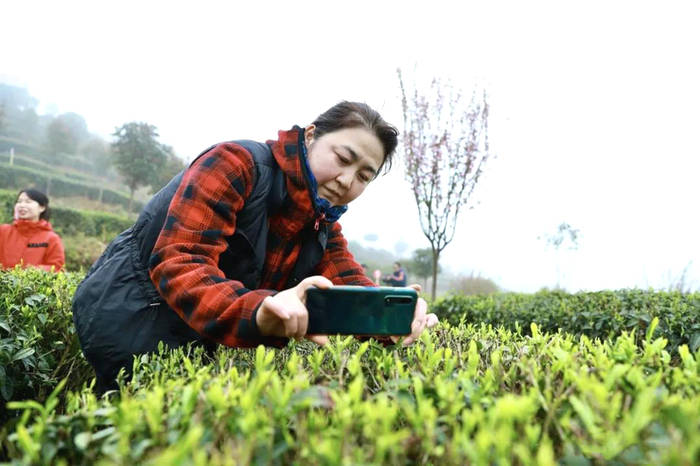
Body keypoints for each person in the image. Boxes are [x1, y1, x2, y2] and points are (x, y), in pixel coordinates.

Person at [72, 101, 439, 392]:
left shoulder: (320, 221)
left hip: (197, 335)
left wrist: (391, 318)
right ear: (311, 136)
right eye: (343, 159)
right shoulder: (235, 164)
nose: (346, 181)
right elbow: (180, 261)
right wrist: (259, 311)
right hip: (132, 316)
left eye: (364, 176)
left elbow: (350, 281)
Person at [0, 189, 65, 271]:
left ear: (42, 207)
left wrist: (30, 272)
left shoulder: (51, 239)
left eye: (28, 202)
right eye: (19, 201)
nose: (22, 205)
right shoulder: (3, 231)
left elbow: (57, 267)